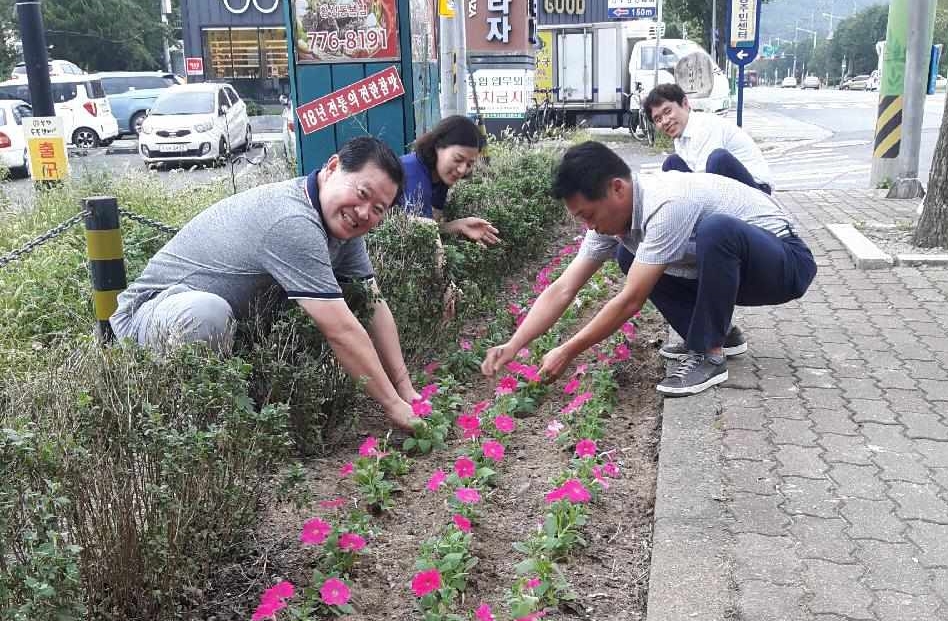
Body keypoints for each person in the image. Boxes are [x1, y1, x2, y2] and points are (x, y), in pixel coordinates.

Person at [110, 136, 420, 429]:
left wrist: (407, 390)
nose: (364, 212)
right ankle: (188, 420)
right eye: (362, 194)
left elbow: (373, 304)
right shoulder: (293, 221)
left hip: (220, 329)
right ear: (332, 167)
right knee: (207, 313)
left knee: (344, 298)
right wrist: (393, 406)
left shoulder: (340, 223)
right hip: (147, 319)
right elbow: (340, 330)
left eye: (378, 209)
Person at [481, 141, 817, 396]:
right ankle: (722, 333)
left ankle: (709, 355)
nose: (589, 226)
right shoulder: (613, 220)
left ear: (617, 187)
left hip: (784, 264)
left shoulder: (666, 203)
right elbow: (563, 288)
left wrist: (568, 350)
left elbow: (631, 301)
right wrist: (514, 344)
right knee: (630, 258)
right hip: (738, 269)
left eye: (587, 214)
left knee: (716, 230)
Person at [644, 83, 774, 195]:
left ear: (685, 104)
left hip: (757, 190)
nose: (665, 121)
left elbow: (707, 181)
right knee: (672, 164)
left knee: (718, 159)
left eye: (667, 112)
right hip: (726, 187)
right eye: (658, 119)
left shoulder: (704, 126)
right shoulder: (680, 136)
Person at [400, 115, 501, 247]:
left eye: (469, 164)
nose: (462, 170)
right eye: (458, 159)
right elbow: (418, 238)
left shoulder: (442, 179)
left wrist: (460, 225)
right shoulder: (412, 172)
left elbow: (428, 228)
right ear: (437, 146)